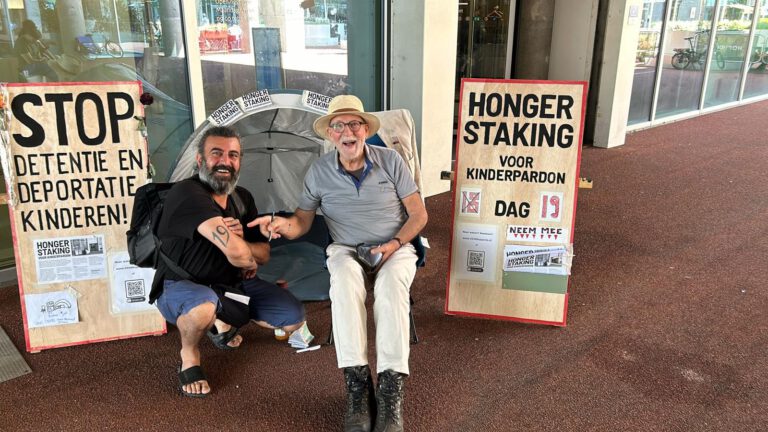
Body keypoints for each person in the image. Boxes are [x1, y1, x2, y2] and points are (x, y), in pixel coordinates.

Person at [249, 95, 428, 432]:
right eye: (339, 125)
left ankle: (390, 393)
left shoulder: (390, 160)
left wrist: (393, 244)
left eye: (355, 124)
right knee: (343, 285)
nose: (348, 131)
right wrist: (279, 224)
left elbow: (419, 214)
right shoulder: (318, 171)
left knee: (390, 291)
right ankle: (358, 389)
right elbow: (301, 222)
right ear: (330, 134)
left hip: (395, 246)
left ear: (365, 129)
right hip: (346, 247)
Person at [149, 126, 305, 398]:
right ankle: (190, 355)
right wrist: (244, 253)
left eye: (233, 155)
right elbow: (240, 255)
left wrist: (241, 239)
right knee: (202, 306)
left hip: (231, 283)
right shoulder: (188, 193)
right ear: (200, 160)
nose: (225, 161)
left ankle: (222, 318)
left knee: (292, 319)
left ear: (240, 162)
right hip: (182, 285)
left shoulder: (242, 198)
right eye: (216, 153)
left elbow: (264, 255)